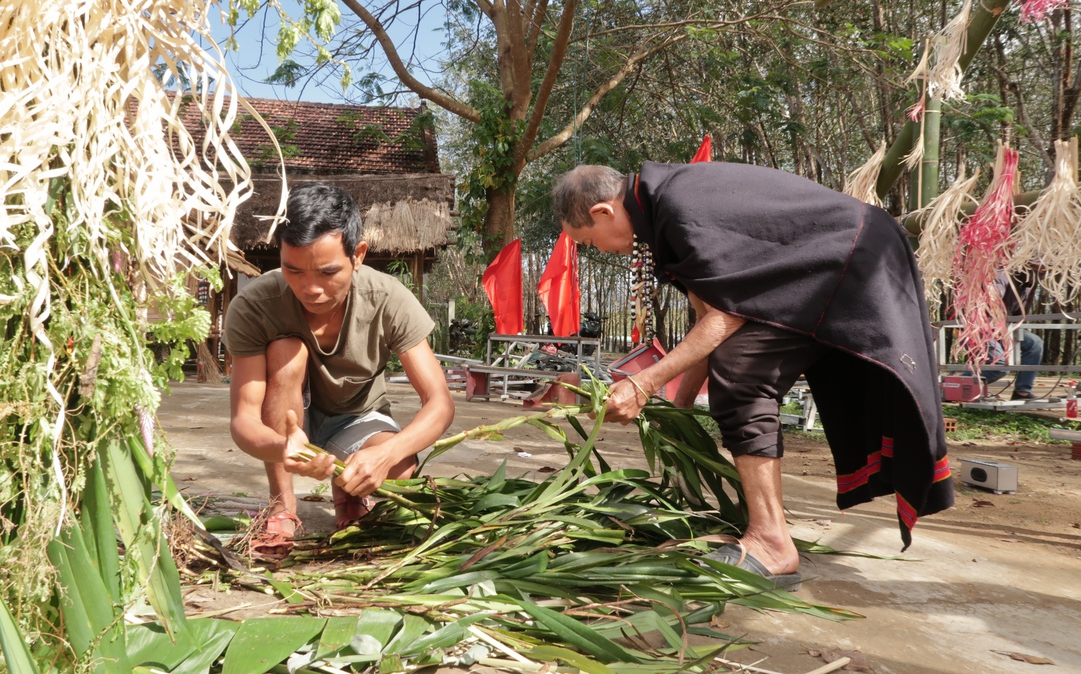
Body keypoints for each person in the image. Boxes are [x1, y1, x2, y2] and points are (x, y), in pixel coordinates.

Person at [552, 162, 953, 586]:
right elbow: (708, 311)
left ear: (602, 213)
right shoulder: (660, 208)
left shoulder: (677, 206)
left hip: (850, 259)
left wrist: (643, 384)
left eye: (588, 241)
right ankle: (766, 531)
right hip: (835, 259)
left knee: (741, 374)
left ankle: (771, 542)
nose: (599, 249)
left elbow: (725, 318)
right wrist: (681, 404)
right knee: (737, 365)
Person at [223, 184, 455, 556]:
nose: (310, 288)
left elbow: (439, 402)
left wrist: (387, 453)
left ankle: (347, 486)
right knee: (287, 350)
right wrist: (282, 447)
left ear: (358, 255)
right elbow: (244, 421)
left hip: (356, 419)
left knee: (400, 472)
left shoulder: (388, 298)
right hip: (285, 420)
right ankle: (282, 505)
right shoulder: (254, 305)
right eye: (292, 270)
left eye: (328, 271)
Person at [980, 270, 1044, 401]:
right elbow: (991, 299)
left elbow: (1019, 314)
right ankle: (950, 384)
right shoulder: (1003, 275)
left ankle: (1022, 392)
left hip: (1005, 327)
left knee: (1034, 343)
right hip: (982, 326)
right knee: (999, 366)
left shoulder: (1029, 285)